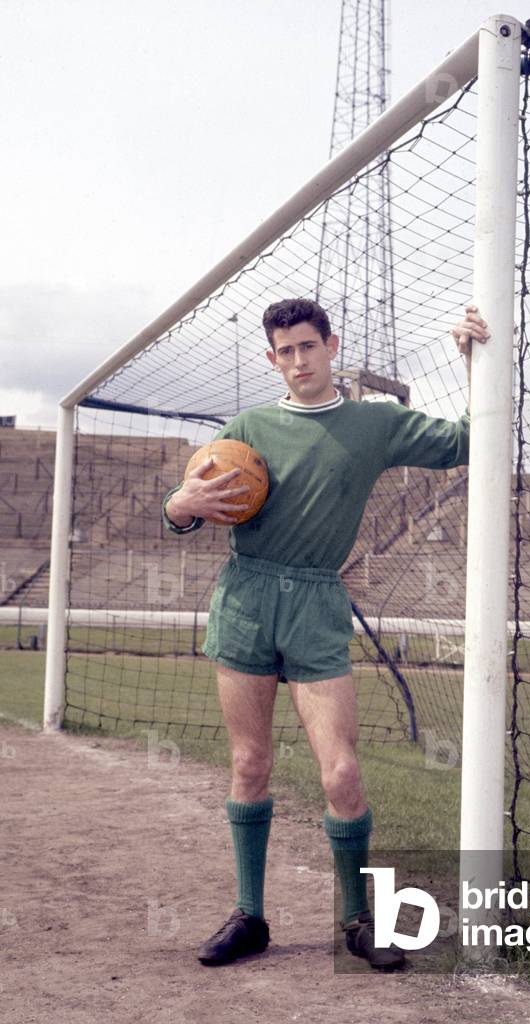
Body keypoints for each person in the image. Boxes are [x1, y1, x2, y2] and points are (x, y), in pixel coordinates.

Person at [162, 297, 488, 969]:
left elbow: (464, 440)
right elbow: (192, 505)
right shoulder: (247, 427)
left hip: (316, 602)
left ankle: (357, 921)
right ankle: (250, 918)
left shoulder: (374, 423)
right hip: (246, 597)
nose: (298, 361)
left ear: (332, 346)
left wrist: (471, 361)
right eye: (285, 351)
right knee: (249, 764)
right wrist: (179, 507)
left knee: (342, 773)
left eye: (308, 346)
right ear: (271, 358)